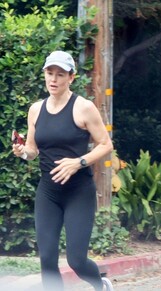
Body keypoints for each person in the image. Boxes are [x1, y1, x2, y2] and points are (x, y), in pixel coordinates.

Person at [12, 51, 114, 291]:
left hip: (78, 192)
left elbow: (106, 145)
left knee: (76, 260)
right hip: (48, 192)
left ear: (71, 77)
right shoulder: (36, 110)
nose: (54, 79)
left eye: (60, 74)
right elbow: (33, 150)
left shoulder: (83, 108)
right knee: (47, 259)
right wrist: (22, 152)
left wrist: (78, 162)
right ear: (44, 75)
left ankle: (101, 284)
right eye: (50, 73)